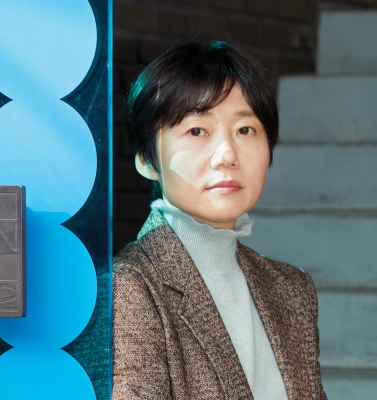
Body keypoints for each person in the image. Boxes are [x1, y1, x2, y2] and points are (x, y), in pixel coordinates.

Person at [112, 40, 327, 400]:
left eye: (245, 130)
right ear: (147, 160)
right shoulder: (129, 288)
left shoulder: (292, 289)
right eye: (197, 131)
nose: (227, 155)